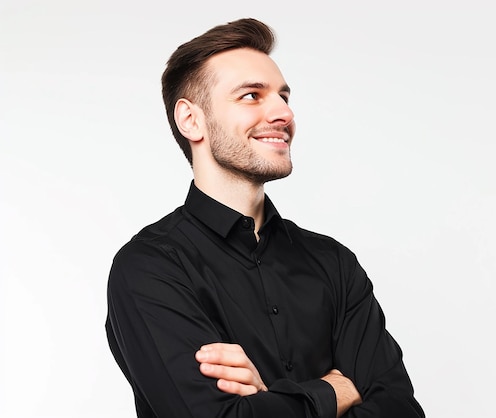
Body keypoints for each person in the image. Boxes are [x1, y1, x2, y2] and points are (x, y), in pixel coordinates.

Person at [105, 17, 425, 418]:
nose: (283, 113)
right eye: (252, 96)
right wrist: (334, 390)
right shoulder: (149, 268)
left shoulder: (333, 263)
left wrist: (270, 400)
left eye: (284, 97)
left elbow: (401, 411)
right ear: (191, 120)